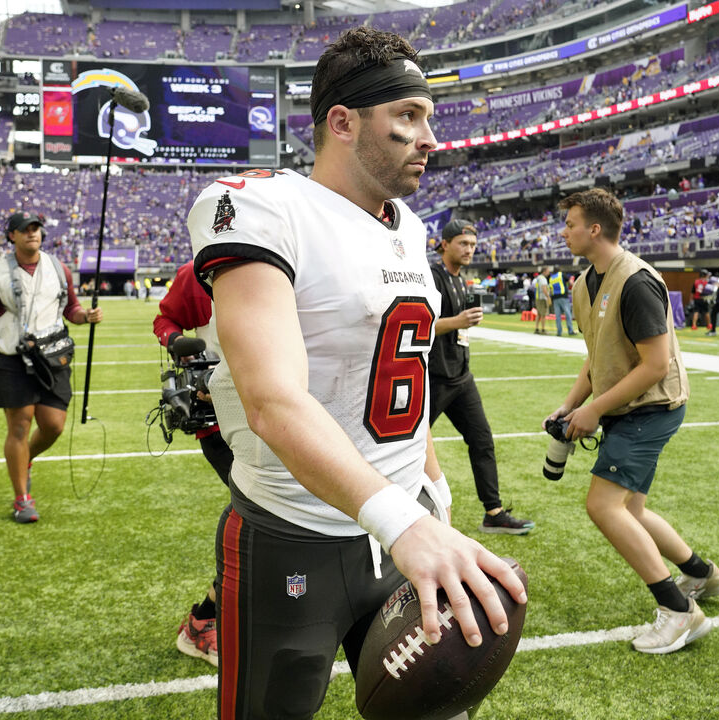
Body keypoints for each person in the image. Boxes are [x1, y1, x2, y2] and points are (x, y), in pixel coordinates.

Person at [188, 27, 525, 719]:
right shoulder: (263, 209)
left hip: (405, 516)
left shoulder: (407, 225)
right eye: (408, 116)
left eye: (428, 117)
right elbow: (273, 401)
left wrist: (430, 477)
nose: (430, 137)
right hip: (295, 531)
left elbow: (401, 359)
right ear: (341, 123)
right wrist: (404, 521)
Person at [547, 188, 719, 655]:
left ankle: (679, 612)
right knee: (632, 511)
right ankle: (702, 575)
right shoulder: (584, 282)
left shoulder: (637, 281)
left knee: (604, 506)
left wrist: (594, 410)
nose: (563, 231)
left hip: (651, 408)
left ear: (594, 229)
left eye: (570, 223)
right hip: (627, 408)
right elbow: (596, 357)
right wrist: (571, 405)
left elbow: (654, 365)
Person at [0, 212, 104, 524]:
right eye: (25, 230)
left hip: (52, 356)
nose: (31, 234)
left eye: (36, 229)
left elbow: (71, 309)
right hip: (12, 357)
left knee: (53, 425)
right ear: (12, 236)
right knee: (20, 426)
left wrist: (85, 316)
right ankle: (22, 499)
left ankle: (25, 461)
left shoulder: (58, 268)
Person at [152, 260, 233, 667]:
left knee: (278, 514)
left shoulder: (291, 258)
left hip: (279, 409)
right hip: (221, 413)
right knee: (261, 513)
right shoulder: (196, 273)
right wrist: (181, 351)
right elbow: (165, 318)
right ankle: (204, 621)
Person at [430, 219, 535, 535]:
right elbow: (424, 324)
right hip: (432, 376)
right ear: (445, 243)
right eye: (463, 243)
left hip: (461, 375)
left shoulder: (463, 281)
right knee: (404, 447)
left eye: (473, 245)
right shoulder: (430, 277)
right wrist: (457, 320)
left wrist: (464, 322)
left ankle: (494, 512)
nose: (469, 250)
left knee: (482, 440)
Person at [550, 265, 575, 336]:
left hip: (555, 298)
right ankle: (570, 330)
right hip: (563, 297)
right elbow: (570, 282)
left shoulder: (551, 278)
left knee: (558, 316)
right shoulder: (561, 274)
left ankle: (559, 332)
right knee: (567, 314)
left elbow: (551, 289)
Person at [534, 269, 552, 334]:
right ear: (544, 271)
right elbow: (544, 288)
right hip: (542, 298)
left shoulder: (538, 278)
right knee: (543, 314)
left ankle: (536, 328)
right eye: (548, 271)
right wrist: (548, 296)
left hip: (538, 297)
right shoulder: (542, 278)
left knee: (539, 314)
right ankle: (543, 329)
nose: (549, 273)